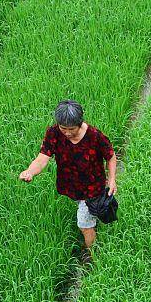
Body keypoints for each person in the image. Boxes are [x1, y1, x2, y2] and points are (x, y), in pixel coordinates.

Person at [19, 100, 117, 250]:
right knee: (86, 213)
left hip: (92, 188)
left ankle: (92, 254)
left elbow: (110, 156)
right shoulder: (54, 133)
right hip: (71, 185)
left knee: (83, 224)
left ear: (80, 123)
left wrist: (111, 180)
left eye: (71, 129)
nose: (67, 133)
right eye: (63, 128)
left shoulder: (95, 136)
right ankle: (93, 221)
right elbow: (42, 157)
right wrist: (30, 172)